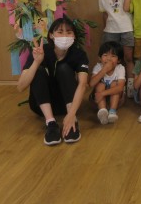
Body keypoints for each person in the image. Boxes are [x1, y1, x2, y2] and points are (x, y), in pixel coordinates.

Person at [16, 17, 89, 146]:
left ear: (74, 36)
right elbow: (20, 87)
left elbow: (83, 84)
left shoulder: (79, 54)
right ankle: (51, 123)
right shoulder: (40, 51)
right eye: (60, 32)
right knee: (38, 70)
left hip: (67, 105)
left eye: (69, 32)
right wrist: (36, 62)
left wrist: (72, 114)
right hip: (41, 106)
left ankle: (72, 122)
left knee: (64, 68)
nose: (65, 36)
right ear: (51, 35)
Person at [99, 0, 134, 77]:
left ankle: (130, 83)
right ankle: (112, 81)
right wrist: (105, 29)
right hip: (110, 31)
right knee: (110, 59)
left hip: (127, 29)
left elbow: (129, 8)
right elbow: (104, 14)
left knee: (128, 58)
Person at [89, 41, 126, 125]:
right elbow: (91, 84)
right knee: (100, 84)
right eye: (105, 55)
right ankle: (103, 111)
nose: (109, 59)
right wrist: (104, 70)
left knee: (114, 84)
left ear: (119, 60)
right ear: (100, 58)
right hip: (98, 99)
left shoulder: (120, 68)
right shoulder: (98, 67)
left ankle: (112, 111)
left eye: (113, 56)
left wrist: (102, 93)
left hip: (116, 99)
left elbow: (120, 88)